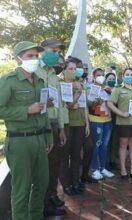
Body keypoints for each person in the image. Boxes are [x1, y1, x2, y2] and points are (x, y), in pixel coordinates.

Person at [0, 41, 53, 220]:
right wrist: (26, 110)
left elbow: (42, 111)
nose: (34, 59)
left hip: (39, 139)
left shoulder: (38, 80)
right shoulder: (9, 81)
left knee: (41, 183)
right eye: (30, 56)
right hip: (19, 141)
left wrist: (48, 136)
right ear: (18, 59)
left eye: (36, 56)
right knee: (21, 189)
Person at [36, 38, 68, 217]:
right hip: (40, 125)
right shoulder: (34, 72)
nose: (56, 54)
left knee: (54, 164)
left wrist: (62, 128)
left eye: (58, 52)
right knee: (43, 166)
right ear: (43, 51)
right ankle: (42, 202)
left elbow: (60, 104)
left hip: (55, 124)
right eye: (53, 51)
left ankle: (52, 195)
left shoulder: (54, 76)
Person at [108, 69, 132, 179]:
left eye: (131, 75)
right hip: (123, 122)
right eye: (127, 74)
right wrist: (121, 113)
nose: (129, 76)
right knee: (123, 145)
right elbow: (110, 103)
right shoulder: (118, 89)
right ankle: (123, 169)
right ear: (123, 76)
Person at [61, 58, 90, 195]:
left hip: (79, 123)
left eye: (75, 69)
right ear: (64, 70)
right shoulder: (60, 84)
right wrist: (75, 95)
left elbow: (83, 106)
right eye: (70, 69)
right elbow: (65, 106)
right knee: (65, 155)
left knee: (76, 154)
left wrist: (87, 123)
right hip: (67, 124)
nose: (73, 71)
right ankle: (66, 185)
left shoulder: (80, 84)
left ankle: (75, 181)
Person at [88, 68, 115, 180]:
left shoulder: (106, 90)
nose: (101, 77)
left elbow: (112, 104)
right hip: (95, 121)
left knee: (104, 145)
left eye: (102, 74)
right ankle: (94, 169)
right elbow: (89, 105)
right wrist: (95, 102)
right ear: (93, 77)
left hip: (107, 121)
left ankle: (102, 168)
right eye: (98, 75)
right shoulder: (90, 89)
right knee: (96, 145)